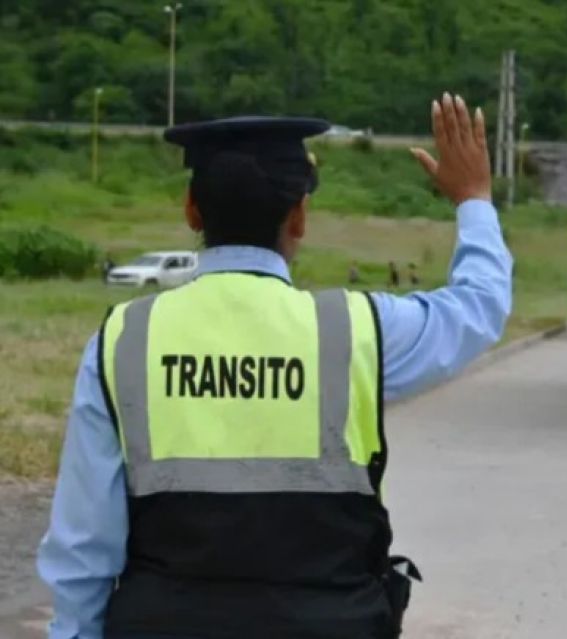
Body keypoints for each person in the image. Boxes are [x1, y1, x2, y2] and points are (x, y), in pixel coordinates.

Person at [37, 93, 512, 638]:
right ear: (299, 216)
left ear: (192, 209)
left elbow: (83, 546)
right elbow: (479, 308)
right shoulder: (356, 329)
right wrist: (473, 199)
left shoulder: (122, 340)